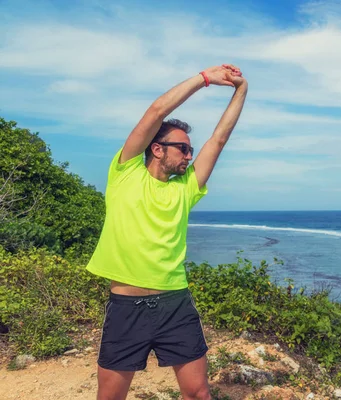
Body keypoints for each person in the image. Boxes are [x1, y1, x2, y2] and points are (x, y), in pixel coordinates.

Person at [86, 64, 247, 400]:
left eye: (191, 150)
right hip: (127, 308)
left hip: (175, 304)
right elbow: (157, 110)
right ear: (157, 149)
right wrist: (205, 79)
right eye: (183, 149)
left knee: (198, 393)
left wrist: (240, 91)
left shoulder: (185, 189)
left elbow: (219, 138)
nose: (190, 155)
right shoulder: (126, 172)